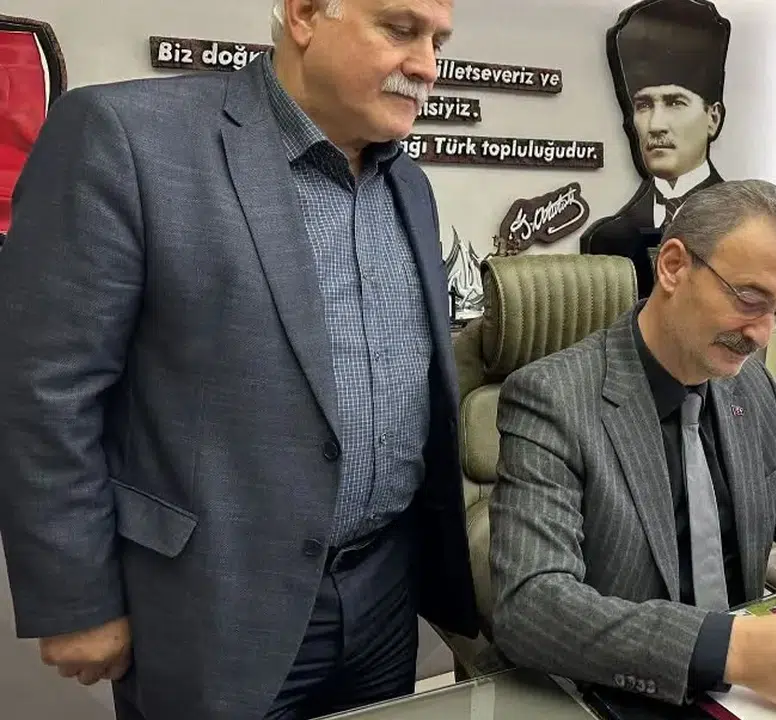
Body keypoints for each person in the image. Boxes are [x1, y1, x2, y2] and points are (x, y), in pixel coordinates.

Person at [0, 1, 478, 718]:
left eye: (438, 41)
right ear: (306, 13)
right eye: (401, 29)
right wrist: (77, 598)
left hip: (383, 589)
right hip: (215, 602)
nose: (427, 66)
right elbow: (44, 390)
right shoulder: (127, 136)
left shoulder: (407, 182)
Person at [490, 179, 776, 711]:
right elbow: (532, 603)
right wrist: (732, 651)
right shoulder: (552, 399)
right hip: (631, 693)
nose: (762, 335)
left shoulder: (750, 386)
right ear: (673, 267)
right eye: (749, 299)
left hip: (757, 695)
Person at [580, 0, 729, 298]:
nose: (656, 125)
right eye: (644, 105)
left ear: (712, 118)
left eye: (675, 103)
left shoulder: (742, 227)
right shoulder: (608, 240)